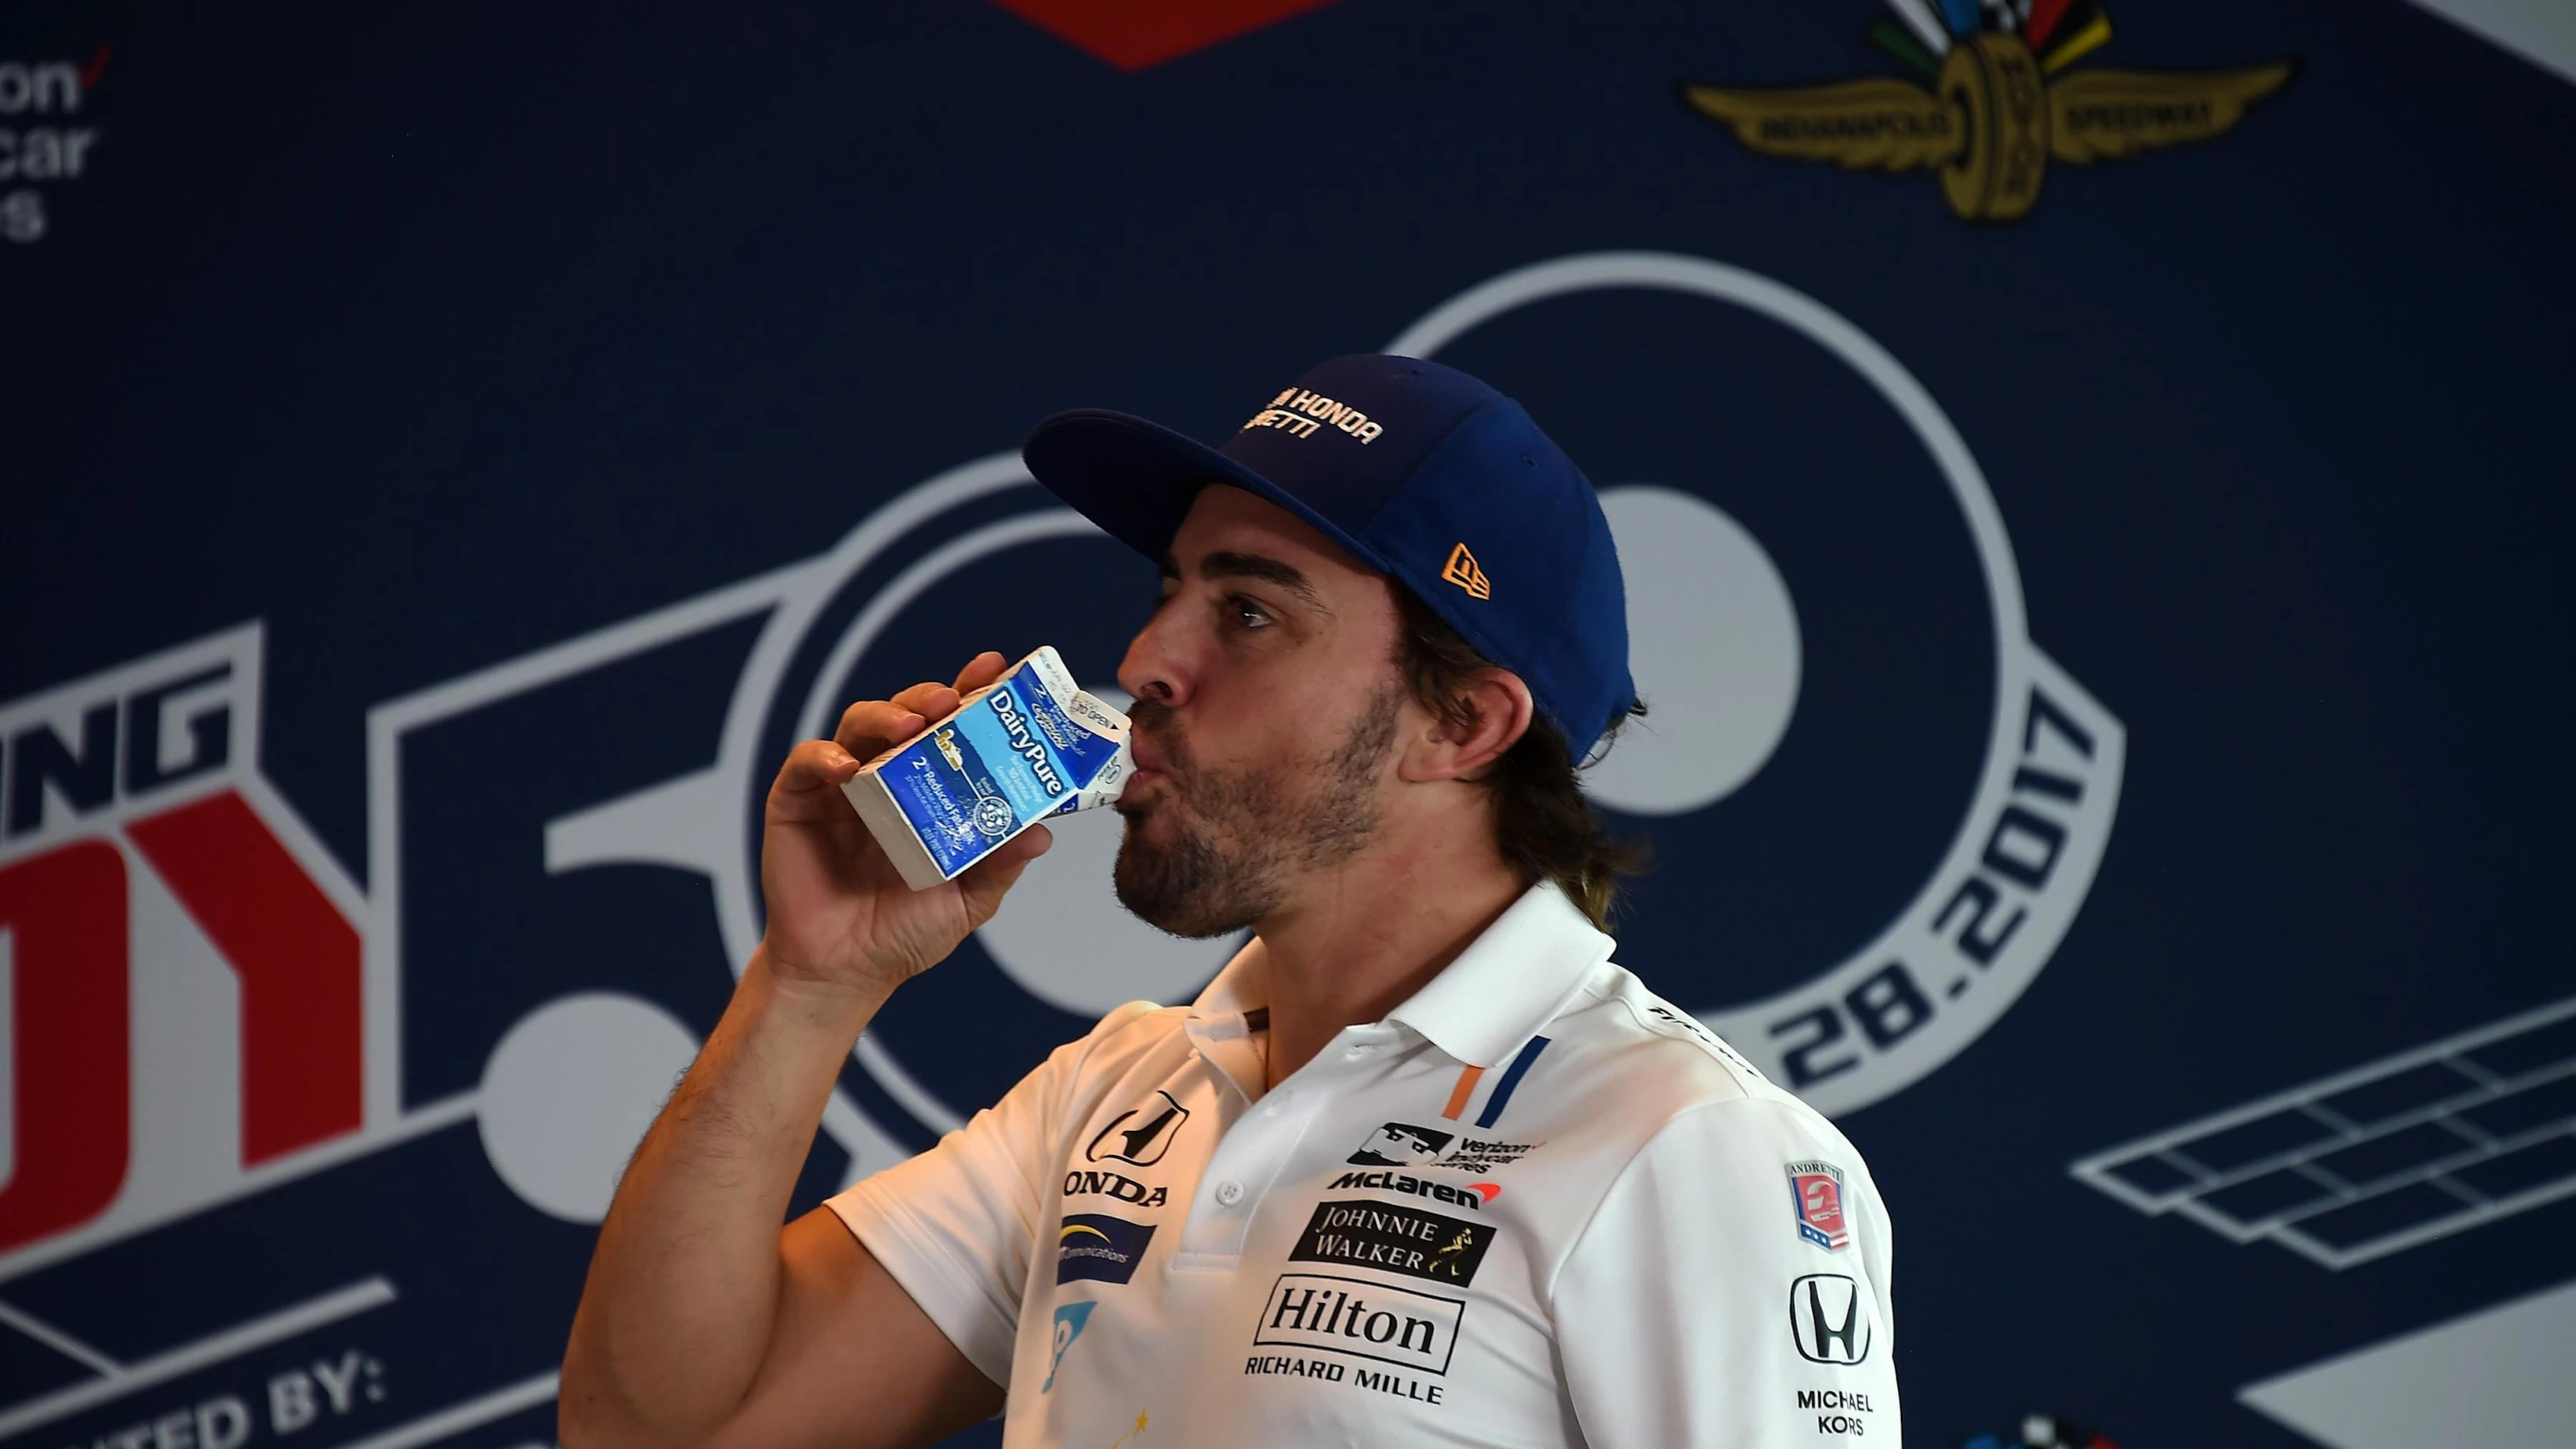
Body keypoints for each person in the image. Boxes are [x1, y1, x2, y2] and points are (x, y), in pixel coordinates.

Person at [559, 355, 1899, 1448]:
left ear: (1463, 724)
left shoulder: (1682, 1147)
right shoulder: (1114, 1096)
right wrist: (809, 987)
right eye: (1168, 594)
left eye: (1249, 613)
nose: (1146, 659)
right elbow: (657, 1429)